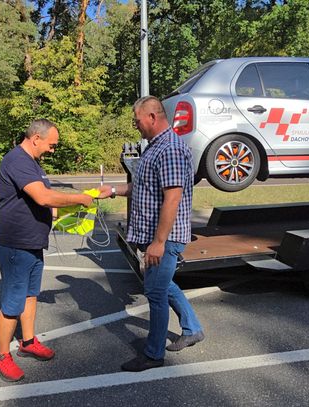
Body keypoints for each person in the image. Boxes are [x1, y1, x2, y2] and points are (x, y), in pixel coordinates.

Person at [99, 96, 204, 372]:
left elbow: (172, 199)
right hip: (154, 237)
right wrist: (111, 191)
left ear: (152, 118)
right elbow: (141, 188)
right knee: (162, 285)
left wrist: (158, 243)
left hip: (165, 238)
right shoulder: (154, 147)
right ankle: (192, 328)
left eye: (137, 120)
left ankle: (153, 354)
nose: (136, 126)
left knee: (155, 293)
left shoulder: (170, 149)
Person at [0, 119, 94, 382]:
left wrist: (61, 212)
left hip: (33, 241)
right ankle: (2, 357)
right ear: (36, 138)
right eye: (51, 145)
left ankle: (27, 342)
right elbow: (44, 197)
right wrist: (80, 198)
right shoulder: (17, 160)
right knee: (13, 301)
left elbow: (46, 199)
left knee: (30, 294)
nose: (52, 150)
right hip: (15, 242)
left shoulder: (33, 164)